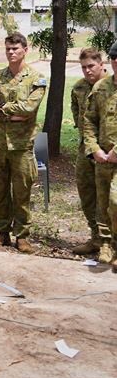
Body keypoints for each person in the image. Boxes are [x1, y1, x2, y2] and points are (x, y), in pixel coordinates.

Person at [0, 32, 46, 253]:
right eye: (8, 48)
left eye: (16, 48)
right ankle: (2, 232)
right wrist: (14, 112)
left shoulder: (36, 78)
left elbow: (30, 109)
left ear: (25, 50)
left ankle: (22, 236)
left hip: (22, 147)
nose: (11, 52)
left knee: (21, 192)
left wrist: (5, 109)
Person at [83, 40, 117, 271]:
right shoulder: (101, 88)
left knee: (115, 201)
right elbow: (88, 121)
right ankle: (106, 245)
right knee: (103, 203)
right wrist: (94, 149)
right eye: (116, 60)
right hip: (102, 157)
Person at [70, 48, 107, 255]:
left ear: (102, 64)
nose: (87, 71)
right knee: (87, 193)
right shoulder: (79, 87)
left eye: (91, 66)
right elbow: (76, 110)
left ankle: (109, 242)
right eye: (83, 67)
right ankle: (96, 238)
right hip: (86, 149)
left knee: (108, 198)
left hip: (108, 151)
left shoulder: (111, 86)